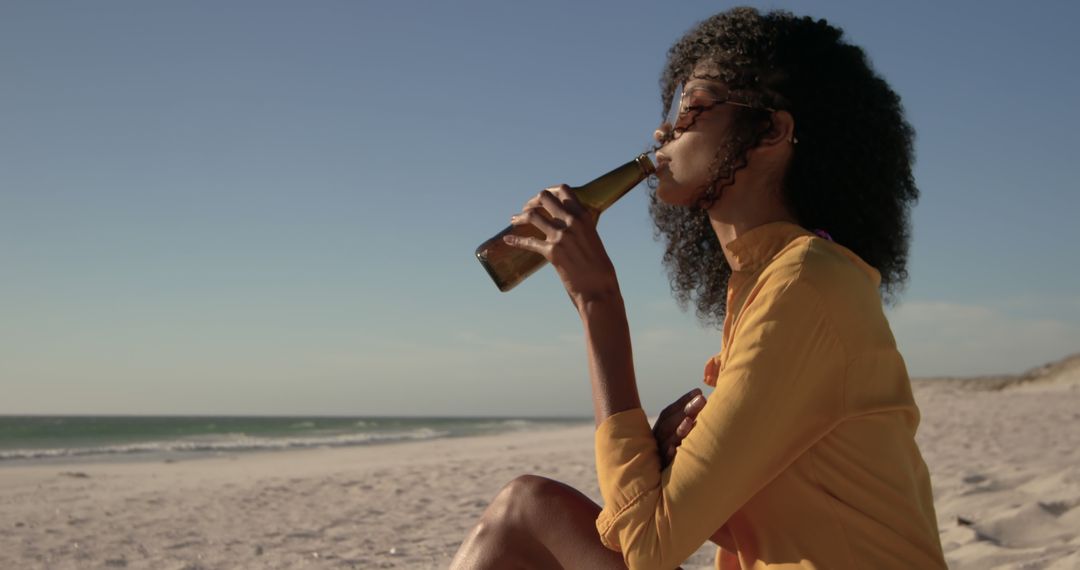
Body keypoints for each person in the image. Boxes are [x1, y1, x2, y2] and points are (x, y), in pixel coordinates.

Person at [449, 7, 947, 569]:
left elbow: (649, 548)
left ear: (772, 133)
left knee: (524, 509)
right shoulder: (771, 282)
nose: (665, 131)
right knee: (527, 507)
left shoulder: (806, 287)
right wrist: (664, 463)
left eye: (694, 108)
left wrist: (596, 299)